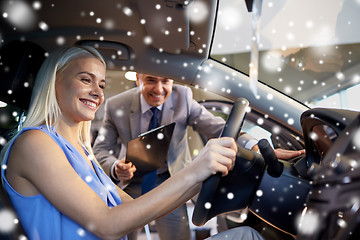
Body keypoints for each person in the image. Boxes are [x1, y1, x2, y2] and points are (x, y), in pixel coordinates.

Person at [0, 45, 265, 240]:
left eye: (102, 84)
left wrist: (204, 175)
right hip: (137, 188)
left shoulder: (81, 151)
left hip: (162, 182)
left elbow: (132, 208)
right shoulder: (35, 143)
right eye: (85, 79)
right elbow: (106, 224)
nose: (97, 92)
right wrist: (196, 170)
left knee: (244, 235)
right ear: (53, 81)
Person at [93, 72, 305, 239]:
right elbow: (101, 150)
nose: (159, 89)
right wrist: (115, 167)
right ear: (138, 78)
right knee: (116, 234)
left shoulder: (183, 97)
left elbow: (219, 128)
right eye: (150, 80)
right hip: (133, 183)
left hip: (171, 180)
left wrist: (256, 148)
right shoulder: (116, 105)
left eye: (165, 81)